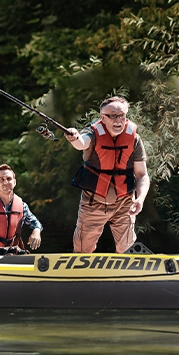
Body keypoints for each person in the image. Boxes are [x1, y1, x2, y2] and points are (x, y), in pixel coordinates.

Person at [61, 96, 150, 253]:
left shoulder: (134, 139)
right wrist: (73, 138)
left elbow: (142, 175)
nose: (118, 120)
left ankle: (125, 276)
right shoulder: (93, 133)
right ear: (102, 118)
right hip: (93, 201)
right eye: (112, 116)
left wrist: (141, 199)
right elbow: (81, 143)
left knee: (127, 249)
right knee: (82, 250)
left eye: (121, 115)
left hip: (124, 203)